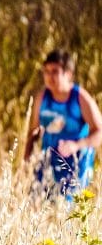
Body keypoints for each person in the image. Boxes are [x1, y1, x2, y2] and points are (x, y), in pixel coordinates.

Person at [24, 49, 102, 200]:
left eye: (55, 71)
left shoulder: (80, 98)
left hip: (76, 164)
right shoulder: (43, 98)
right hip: (48, 160)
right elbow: (33, 131)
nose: (49, 76)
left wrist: (77, 145)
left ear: (68, 74)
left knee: (65, 211)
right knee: (34, 203)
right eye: (46, 71)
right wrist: (26, 158)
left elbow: (99, 131)